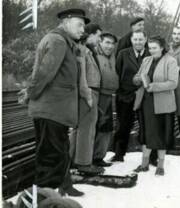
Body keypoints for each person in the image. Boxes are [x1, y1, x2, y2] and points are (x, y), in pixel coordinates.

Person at [20, 8, 90, 196]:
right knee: (50, 157)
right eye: (80, 24)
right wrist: (30, 94)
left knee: (60, 150)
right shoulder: (58, 41)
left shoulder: (65, 42)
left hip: (57, 110)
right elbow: (44, 73)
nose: (83, 29)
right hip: (50, 110)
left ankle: (64, 187)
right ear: (66, 22)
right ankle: (46, 198)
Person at [132, 36, 179, 176]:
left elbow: (173, 83)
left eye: (154, 48)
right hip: (146, 103)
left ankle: (160, 165)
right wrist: (137, 79)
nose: (151, 50)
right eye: (150, 48)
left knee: (161, 134)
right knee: (146, 133)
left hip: (163, 105)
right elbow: (137, 76)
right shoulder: (146, 60)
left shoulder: (171, 61)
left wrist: (153, 86)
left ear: (162, 48)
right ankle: (144, 163)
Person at [70, 23, 105, 173]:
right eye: (98, 36)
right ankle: (84, 164)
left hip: (89, 91)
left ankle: (72, 160)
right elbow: (81, 75)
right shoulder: (83, 50)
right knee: (87, 128)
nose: (99, 40)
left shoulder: (87, 50)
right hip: (88, 91)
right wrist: (87, 95)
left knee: (80, 128)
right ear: (89, 35)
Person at [111, 31, 150, 162]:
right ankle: (118, 153)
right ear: (131, 40)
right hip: (126, 95)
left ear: (145, 39)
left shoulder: (151, 54)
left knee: (148, 126)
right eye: (135, 39)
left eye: (141, 39)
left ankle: (151, 156)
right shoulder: (123, 54)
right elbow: (117, 72)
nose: (138, 42)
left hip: (145, 96)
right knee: (123, 126)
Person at [92, 32, 119, 167]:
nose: (110, 46)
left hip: (109, 95)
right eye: (107, 42)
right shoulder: (94, 55)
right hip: (98, 95)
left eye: (112, 43)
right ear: (100, 42)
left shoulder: (113, 57)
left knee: (106, 127)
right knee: (95, 126)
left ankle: (98, 157)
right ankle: (86, 158)